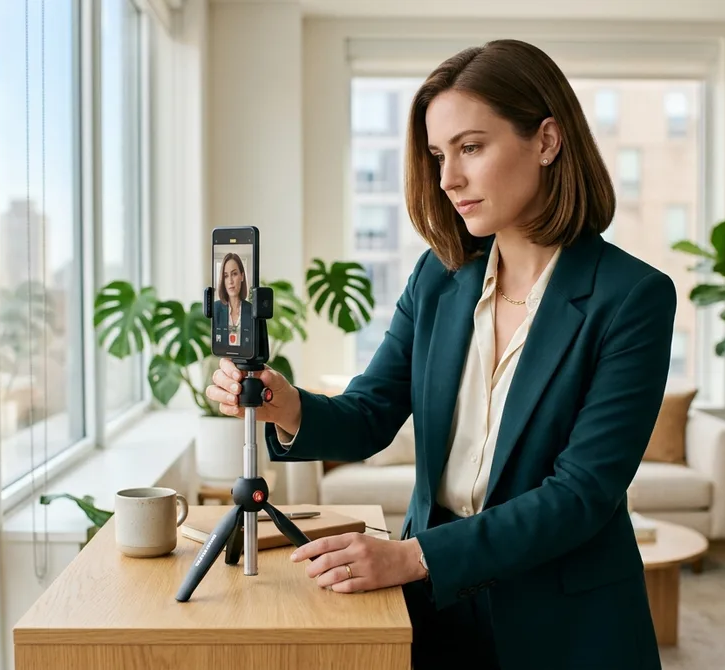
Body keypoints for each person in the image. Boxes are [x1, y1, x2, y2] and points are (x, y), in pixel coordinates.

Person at [205, 38, 672, 670]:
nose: (449, 177)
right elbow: (370, 413)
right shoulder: (439, 278)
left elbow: (581, 494)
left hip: (565, 623)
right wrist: (287, 406)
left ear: (547, 141)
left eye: (471, 147)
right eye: (437, 154)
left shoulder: (633, 296)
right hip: (437, 608)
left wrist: (415, 556)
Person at [212, 252, 253, 348]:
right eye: (226, 276)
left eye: (234, 274)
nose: (230, 281)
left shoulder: (251, 310)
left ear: (242, 276)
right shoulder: (215, 309)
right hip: (222, 361)